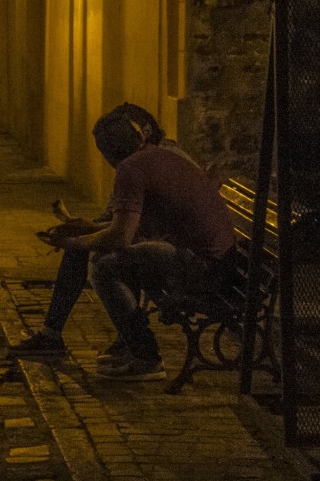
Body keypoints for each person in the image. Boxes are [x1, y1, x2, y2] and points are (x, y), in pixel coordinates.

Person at [36, 102, 236, 381]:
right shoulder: (158, 155)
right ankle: (128, 344)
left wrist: (75, 243)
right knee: (111, 255)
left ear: (107, 154)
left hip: (201, 266)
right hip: (221, 261)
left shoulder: (131, 169)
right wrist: (86, 229)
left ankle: (145, 356)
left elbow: (121, 236)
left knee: (105, 267)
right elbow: (130, 224)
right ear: (138, 137)